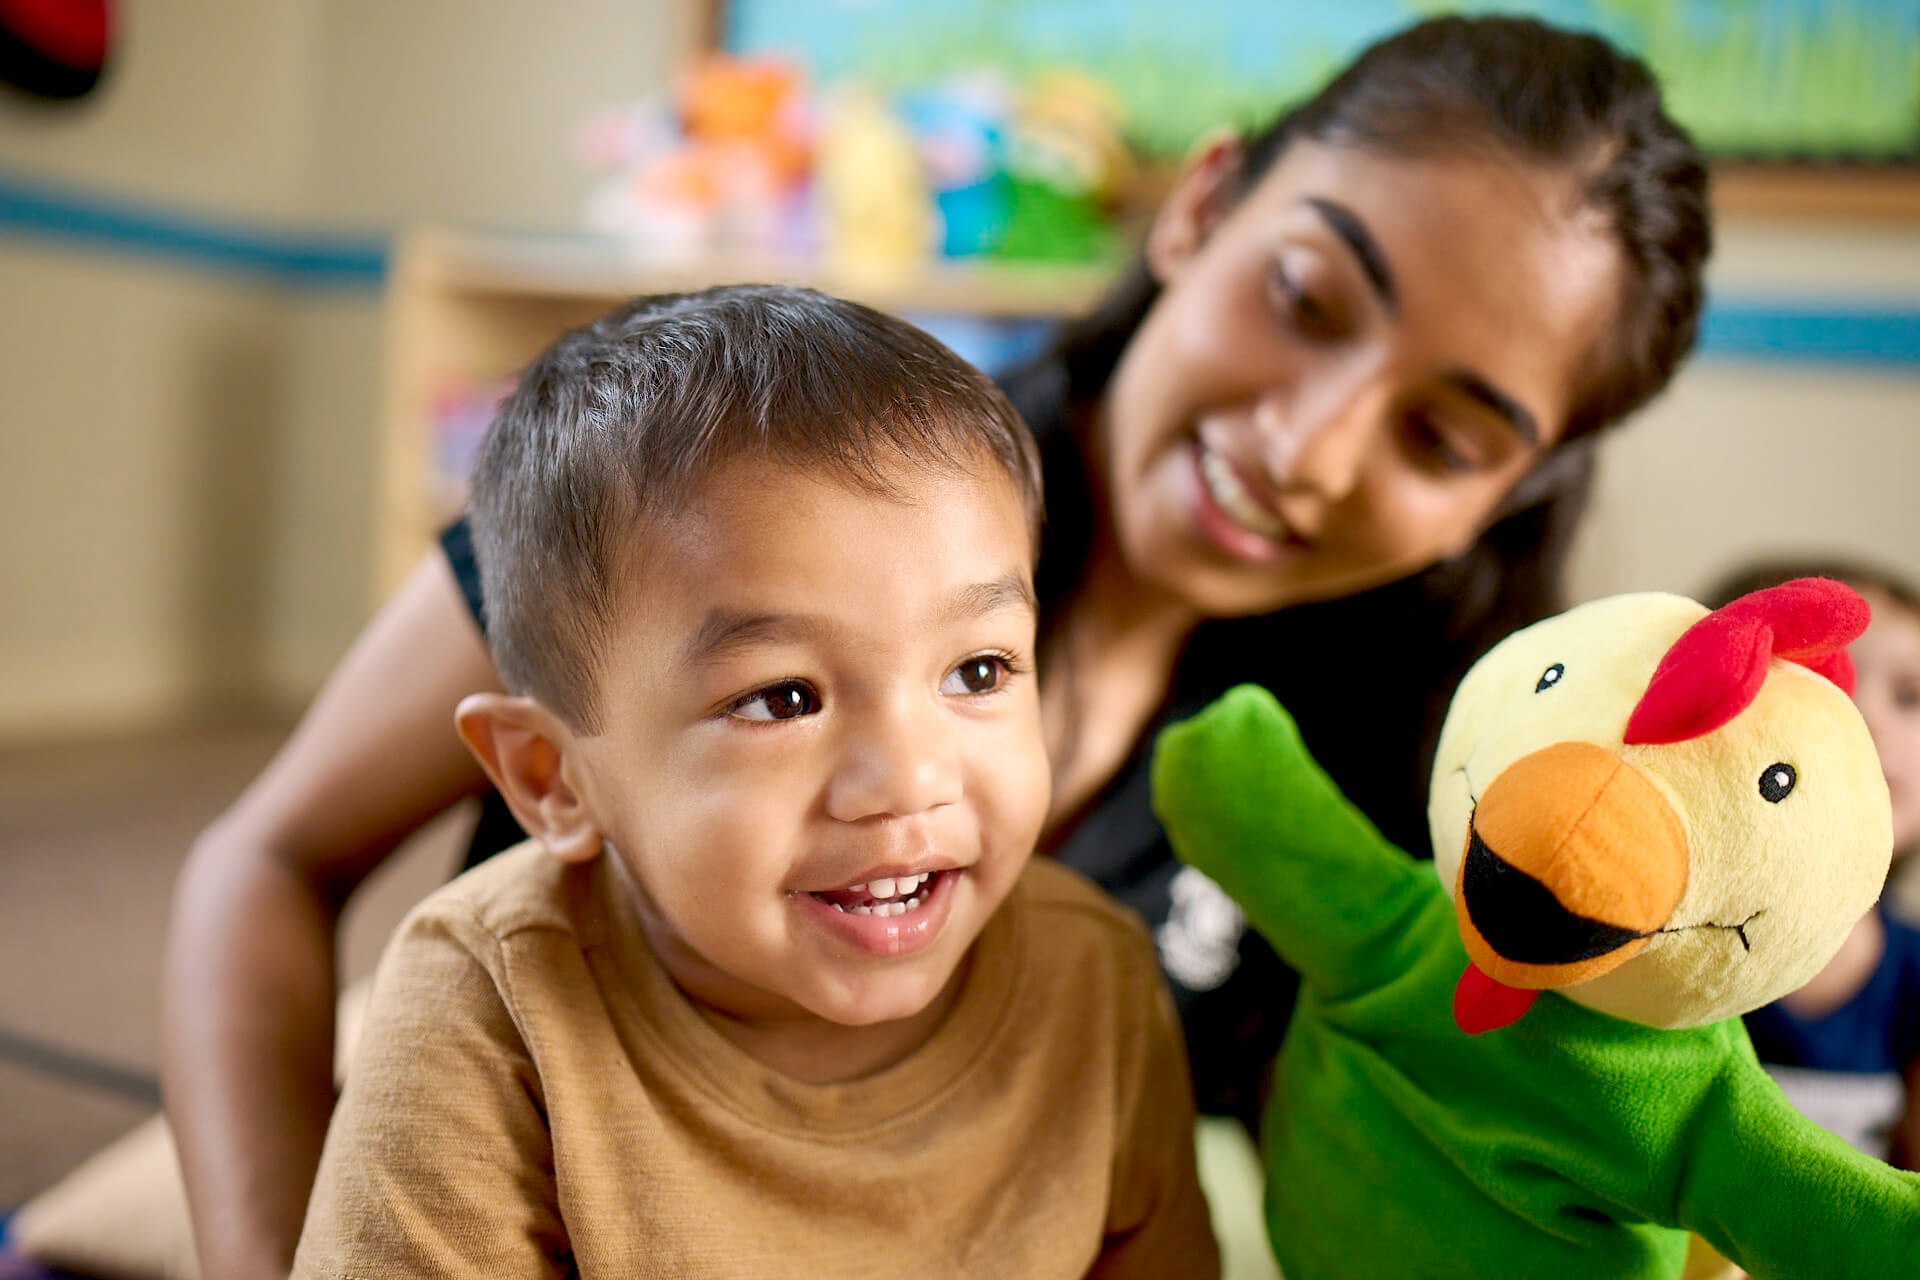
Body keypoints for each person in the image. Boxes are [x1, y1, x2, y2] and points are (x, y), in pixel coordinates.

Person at [163, 15, 1713, 1277]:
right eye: (1305, 298)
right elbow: (268, 859)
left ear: (1511, 496)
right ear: (1202, 204)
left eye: (1442, 437)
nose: (1308, 446)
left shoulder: (1386, 795)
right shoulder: (734, 484)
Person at [289, 285, 1220, 1276]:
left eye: (977, 671)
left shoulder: (1099, 981)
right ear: (554, 776)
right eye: (782, 697)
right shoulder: (484, 1005)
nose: (909, 777)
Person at [1704, 559, 1920, 1170]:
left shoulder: (1911, 977)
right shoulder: (1657, 944)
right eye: (1824, 680)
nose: (1869, 719)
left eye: (1910, 696)